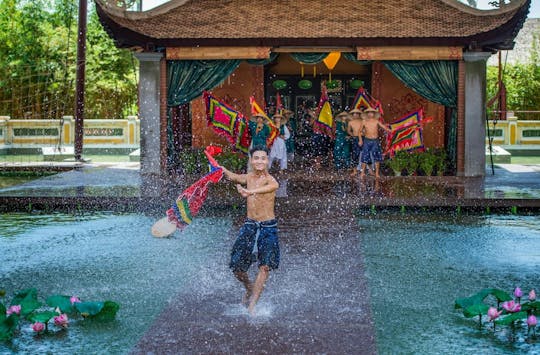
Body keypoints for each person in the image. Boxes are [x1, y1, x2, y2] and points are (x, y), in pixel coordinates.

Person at [219, 146, 280, 316]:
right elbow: (234, 177)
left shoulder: (271, 180)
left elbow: (271, 187)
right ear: (251, 161)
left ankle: (252, 305)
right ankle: (249, 287)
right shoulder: (249, 177)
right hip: (250, 226)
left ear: (267, 161)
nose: (260, 161)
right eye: (256, 158)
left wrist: (248, 191)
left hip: (268, 227)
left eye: (263, 158)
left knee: (265, 266)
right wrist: (223, 170)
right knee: (237, 267)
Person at [357, 108, 391, 179]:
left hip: (375, 141)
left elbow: (385, 128)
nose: (370, 114)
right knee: (365, 156)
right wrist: (360, 140)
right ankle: (362, 173)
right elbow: (359, 131)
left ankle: (377, 173)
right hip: (366, 140)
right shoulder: (364, 121)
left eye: (371, 112)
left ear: (374, 114)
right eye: (368, 112)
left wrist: (391, 130)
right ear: (367, 114)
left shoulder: (376, 121)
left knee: (377, 157)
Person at [347, 108, 364, 175]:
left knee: (363, 154)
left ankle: (362, 171)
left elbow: (365, 130)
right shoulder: (350, 122)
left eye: (357, 113)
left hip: (363, 138)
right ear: (352, 115)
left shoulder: (362, 121)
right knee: (354, 155)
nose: (355, 115)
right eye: (354, 114)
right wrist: (352, 135)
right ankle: (355, 171)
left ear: (359, 114)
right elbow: (348, 131)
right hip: (355, 139)